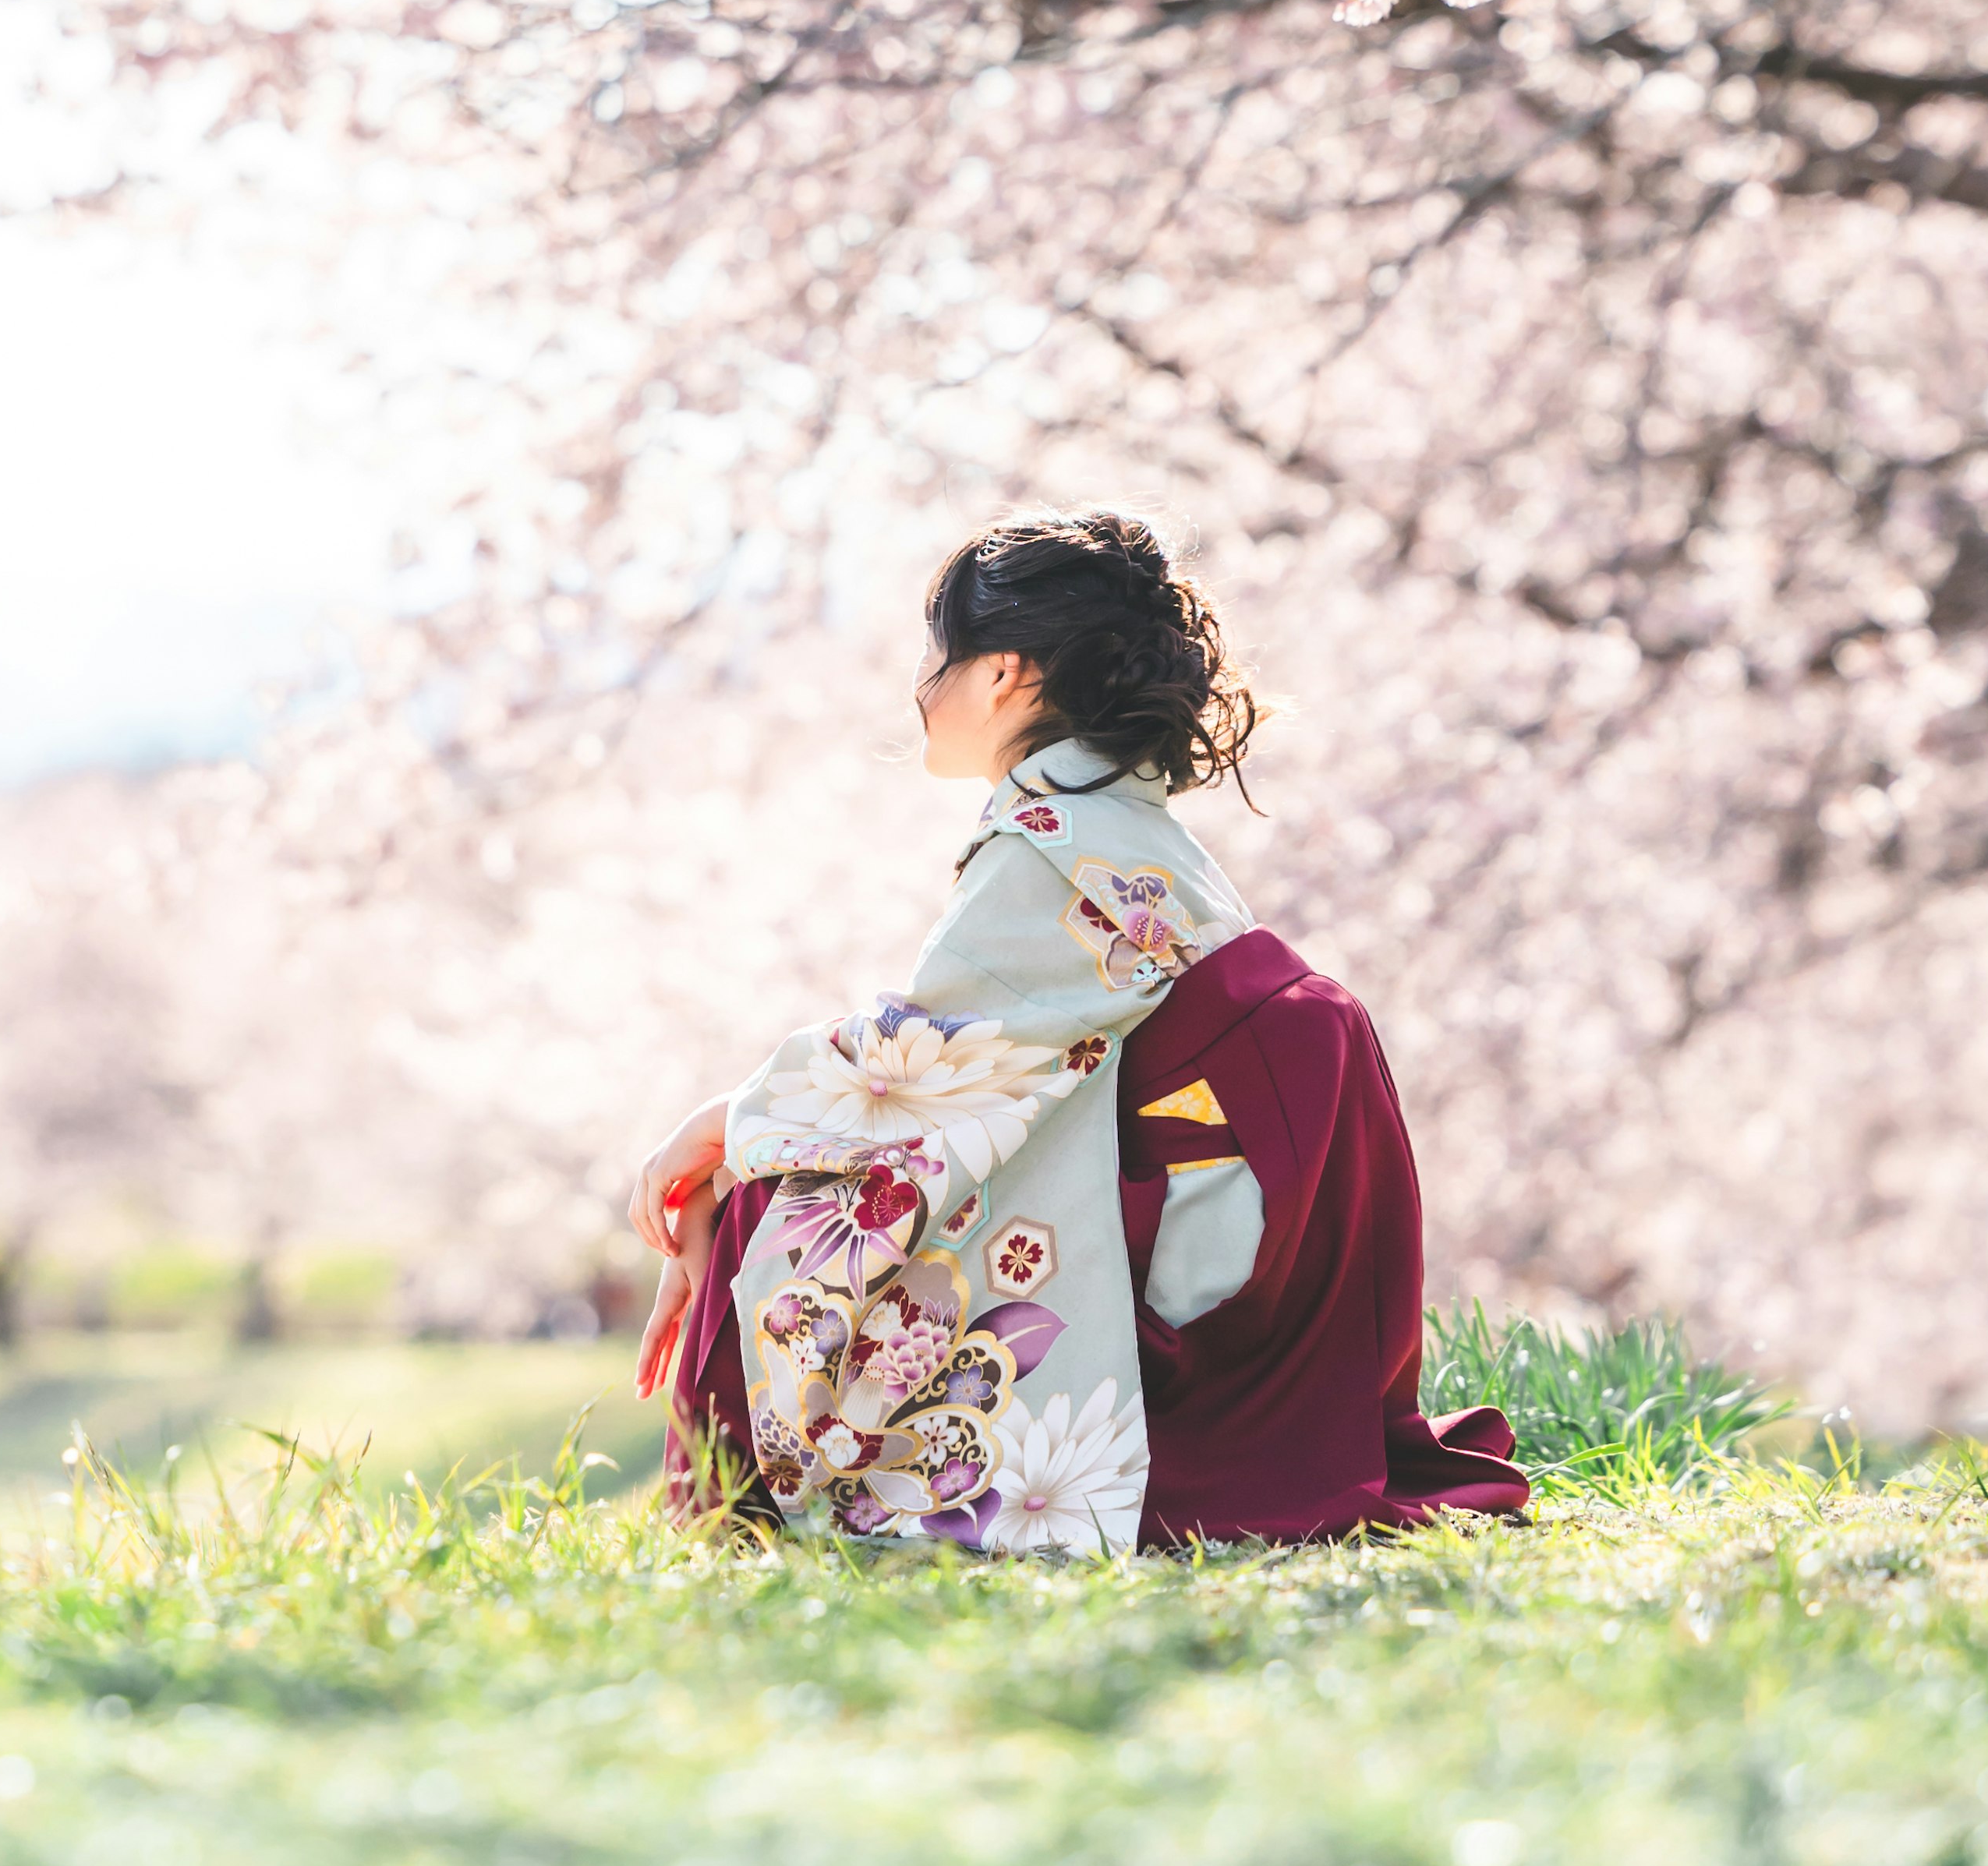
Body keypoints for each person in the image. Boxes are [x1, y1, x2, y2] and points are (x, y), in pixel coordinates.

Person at [628, 513, 1526, 1552]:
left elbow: (922, 1074)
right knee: (791, 1163)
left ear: (1004, 674)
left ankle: (738, 1509)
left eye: (936, 654)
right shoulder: (1126, 828)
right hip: (1244, 1226)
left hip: (1197, 1262)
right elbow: (978, 1057)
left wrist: (724, 1135)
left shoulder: (1047, 845)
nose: (919, 686)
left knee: (783, 1203)